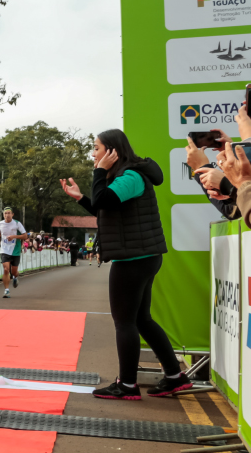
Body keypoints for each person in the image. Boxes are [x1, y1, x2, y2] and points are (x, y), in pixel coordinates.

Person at [61, 128, 190, 400]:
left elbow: (104, 199)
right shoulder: (127, 175)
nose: (93, 154)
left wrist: (98, 173)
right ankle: (174, 376)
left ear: (111, 151)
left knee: (124, 323)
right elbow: (104, 207)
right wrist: (80, 198)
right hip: (140, 255)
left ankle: (128, 385)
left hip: (135, 258)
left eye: (96, 148)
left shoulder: (130, 175)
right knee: (141, 320)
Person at [0, 207, 26, 296]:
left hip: (15, 249)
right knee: (6, 269)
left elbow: (25, 236)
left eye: (9, 213)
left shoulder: (17, 223)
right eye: (5, 213)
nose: (7, 215)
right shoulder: (0, 224)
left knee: (14, 271)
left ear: (12, 214)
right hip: (4, 249)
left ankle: (15, 277)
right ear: (3, 215)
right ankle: (6, 290)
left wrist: (14, 236)